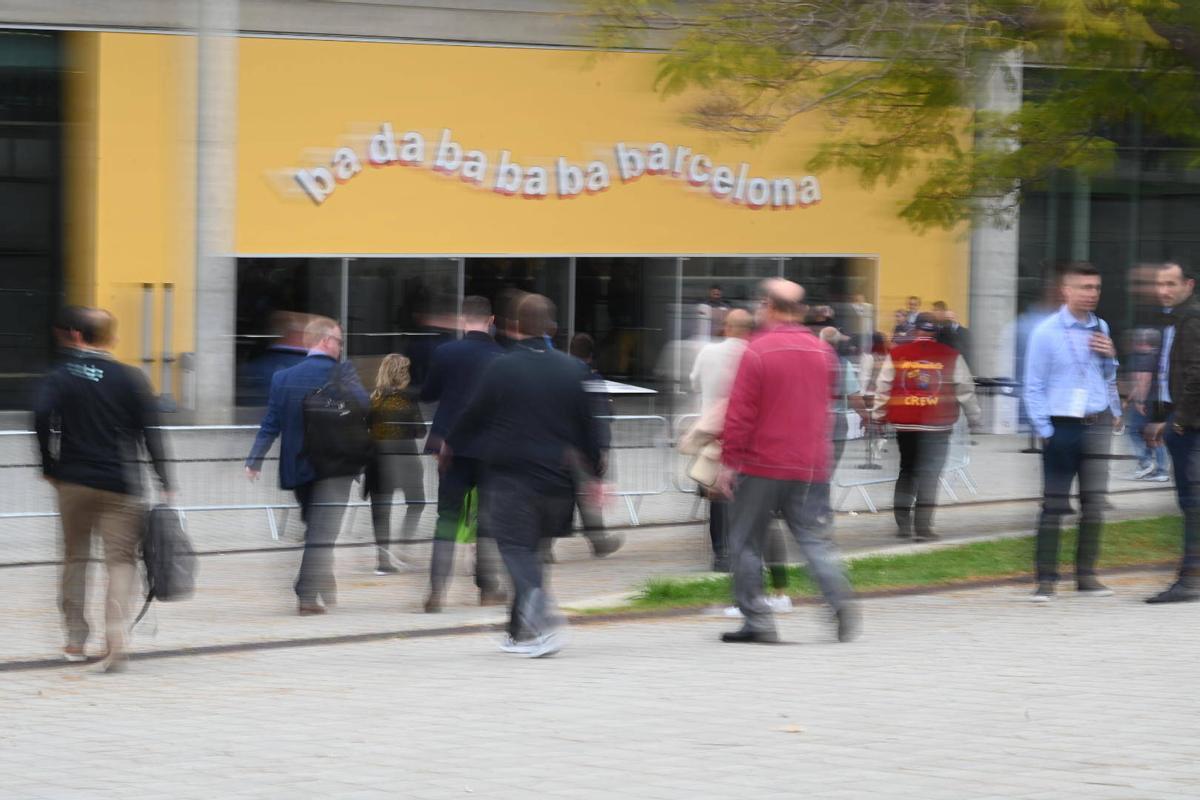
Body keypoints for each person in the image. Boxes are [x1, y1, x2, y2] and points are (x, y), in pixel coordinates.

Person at [449, 294, 605, 657]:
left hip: (511, 479)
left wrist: (450, 444)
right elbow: (589, 428)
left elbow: (473, 415)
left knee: (516, 550)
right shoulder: (573, 369)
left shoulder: (501, 367)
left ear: (515, 326)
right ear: (550, 327)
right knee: (532, 553)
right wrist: (595, 474)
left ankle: (542, 618)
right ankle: (518, 631)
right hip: (558, 481)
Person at [716, 279, 859, 644]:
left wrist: (728, 462)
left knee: (746, 542)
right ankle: (839, 600)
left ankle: (758, 621)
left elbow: (740, 413)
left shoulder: (757, 351)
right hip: (811, 463)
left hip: (761, 463)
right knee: (814, 540)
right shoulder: (822, 352)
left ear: (769, 305)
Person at [33, 308, 173, 672]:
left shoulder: (61, 376)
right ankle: (116, 639)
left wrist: (50, 465)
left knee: (75, 557)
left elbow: (41, 415)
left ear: (77, 336)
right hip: (121, 484)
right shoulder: (130, 378)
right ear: (109, 338)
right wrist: (165, 479)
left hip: (74, 481)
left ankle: (75, 640)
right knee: (121, 561)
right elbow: (151, 431)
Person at [245, 316, 368, 616]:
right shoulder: (343, 373)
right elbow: (366, 406)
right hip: (335, 466)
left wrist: (254, 459)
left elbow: (271, 422)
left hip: (298, 468)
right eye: (339, 341)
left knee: (318, 529)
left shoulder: (283, 378)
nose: (341, 347)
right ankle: (306, 592)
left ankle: (322, 578)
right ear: (326, 341)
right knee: (323, 533)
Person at [1023, 263, 1122, 602]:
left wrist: (1110, 356)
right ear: (1066, 291)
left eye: (1095, 287)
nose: (1091, 294)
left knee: (1093, 504)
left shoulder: (1102, 327)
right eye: (1084, 287)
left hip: (1096, 424)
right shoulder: (1046, 332)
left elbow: (1106, 376)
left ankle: (1087, 576)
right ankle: (1046, 580)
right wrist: (1045, 429)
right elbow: (1033, 385)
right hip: (1060, 425)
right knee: (1053, 504)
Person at [419, 295, 506, 612]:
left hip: (450, 449)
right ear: (491, 320)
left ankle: (437, 591)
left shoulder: (445, 353)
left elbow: (428, 394)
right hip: (489, 450)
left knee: (446, 518)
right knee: (487, 522)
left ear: (462, 318)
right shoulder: (501, 357)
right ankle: (487, 588)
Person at [871, 313, 982, 541]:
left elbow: (883, 388)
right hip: (937, 426)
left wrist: (878, 416)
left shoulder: (897, 354)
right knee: (930, 475)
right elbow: (965, 390)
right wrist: (974, 417)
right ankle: (923, 528)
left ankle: (903, 525)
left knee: (907, 471)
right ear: (936, 332)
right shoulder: (951, 356)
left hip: (906, 424)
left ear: (915, 329)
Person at [1143, 262, 1200, 603]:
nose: (1163, 290)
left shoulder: (1191, 320)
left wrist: (1178, 422)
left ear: (1188, 285)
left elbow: (1197, 374)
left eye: (1170, 283)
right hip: (1180, 424)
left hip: (1189, 428)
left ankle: (1188, 581)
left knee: (1192, 504)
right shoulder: (1175, 320)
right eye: (1159, 283)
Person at [688, 309, 753, 572]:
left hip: (715, 432)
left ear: (726, 327)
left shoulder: (708, 352)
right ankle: (744, 549)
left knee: (718, 495)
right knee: (746, 494)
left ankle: (721, 553)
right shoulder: (754, 353)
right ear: (749, 330)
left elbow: (694, 383)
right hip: (747, 432)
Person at [364, 354, 427, 574]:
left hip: (378, 459)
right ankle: (404, 545)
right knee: (417, 503)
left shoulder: (374, 398)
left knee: (381, 510)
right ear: (402, 373)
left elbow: (366, 428)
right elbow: (421, 431)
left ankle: (383, 561)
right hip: (405, 458)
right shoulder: (407, 399)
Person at [1121, 327, 1169, 482]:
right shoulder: (1158, 356)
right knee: (1154, 436)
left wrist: (1139, 402)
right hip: (1160, 401)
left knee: (1134, 431)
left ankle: (1146, 462)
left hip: (1148, 402)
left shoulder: (1144, 357)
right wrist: (1129, 400)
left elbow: (1144, 381)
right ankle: (1160, 471)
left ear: (1142, 342)